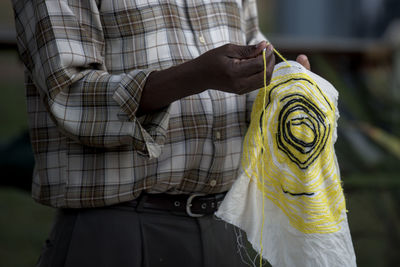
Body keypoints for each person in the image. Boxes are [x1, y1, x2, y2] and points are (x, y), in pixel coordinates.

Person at [12, 0, 310, 266]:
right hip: (118, 230)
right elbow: (69, 95)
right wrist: (197, 76)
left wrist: (285, 86)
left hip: (226, 227)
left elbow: (253, 62)